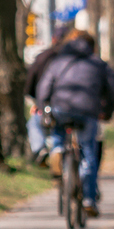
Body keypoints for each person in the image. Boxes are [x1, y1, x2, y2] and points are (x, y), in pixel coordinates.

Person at [36, 29, 114, 217]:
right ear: (92, 47)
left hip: (60, 107)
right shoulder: (98, 64)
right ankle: (89, 199)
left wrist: (44, 107)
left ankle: (57, 150)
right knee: (88, 152)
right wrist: (106, 112)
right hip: (87, 111)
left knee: (58, 130)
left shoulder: (58, 61)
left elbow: (43, 88)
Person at [24, 32, 67, 164]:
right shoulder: (76, 58)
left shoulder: (43, 57)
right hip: (78, 106)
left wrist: (38, 103)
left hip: (50, 104)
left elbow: (32, 83)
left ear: (53, 39)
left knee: (34, 123)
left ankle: (41, 149)